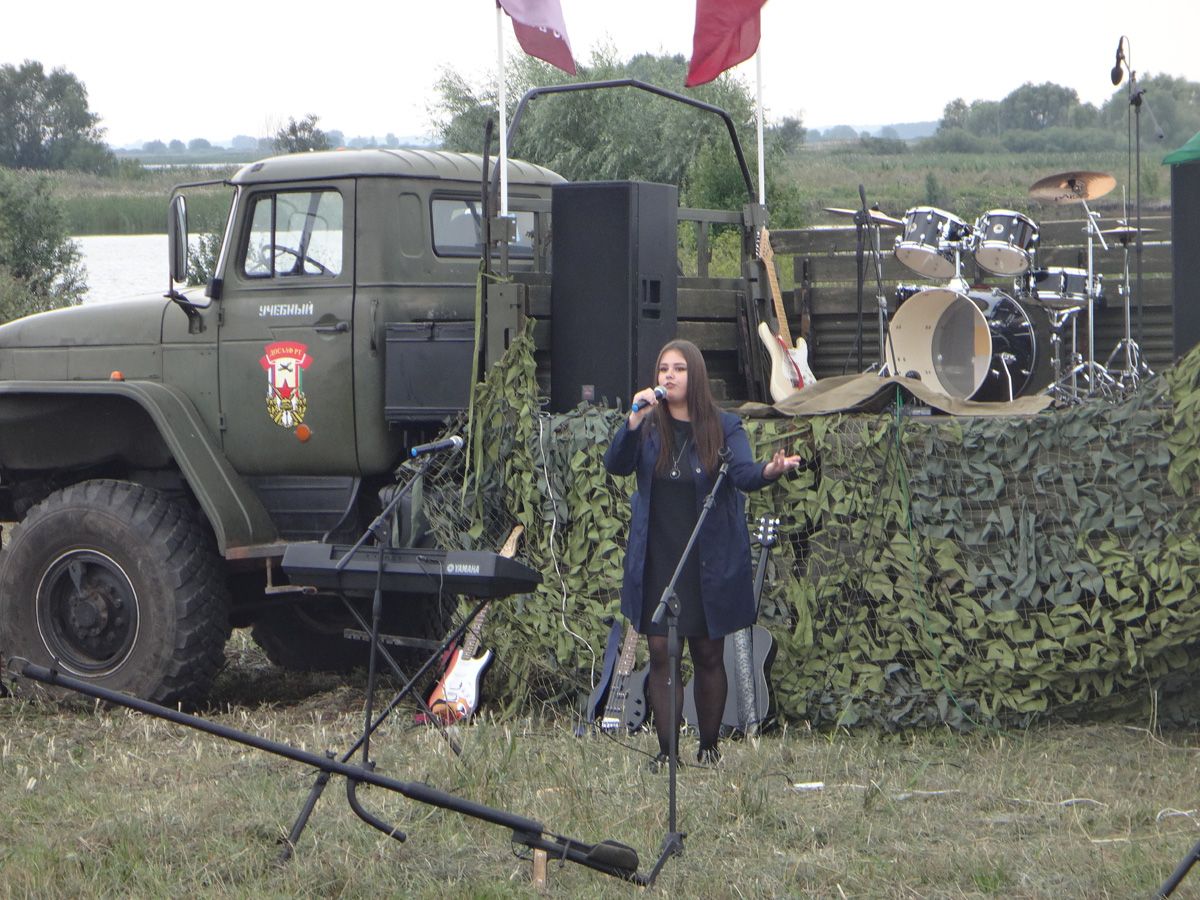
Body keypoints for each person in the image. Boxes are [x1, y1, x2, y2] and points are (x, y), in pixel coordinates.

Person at [603, 339, 801, 765]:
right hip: (659, 556)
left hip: (706, 557)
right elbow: (616, 465)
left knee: (707, 653)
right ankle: (667, 752)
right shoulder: (649, 426)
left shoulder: (724, 425)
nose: (668, 377)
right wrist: (632, 422)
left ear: (695, 376)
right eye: (662, 370)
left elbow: (745, 475)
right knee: (661, 653)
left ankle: (709, 748)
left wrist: (772, 469)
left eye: (678, 369)